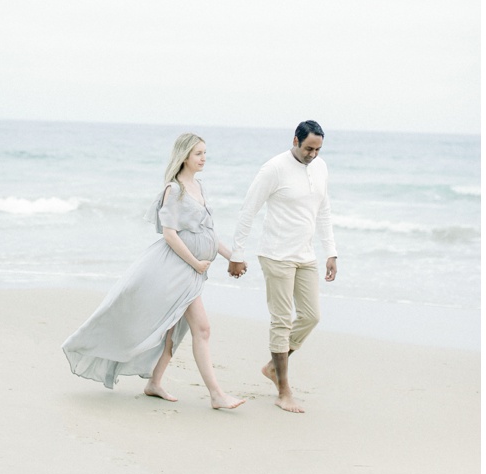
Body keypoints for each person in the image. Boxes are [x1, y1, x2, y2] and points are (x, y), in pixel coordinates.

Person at [62, 133, 245, 410]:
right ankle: (217, 395)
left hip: (192, 273)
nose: (204, 158)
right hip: (176, 270)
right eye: (198, 153)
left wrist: (234, 257)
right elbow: (170, 235)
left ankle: (154, 383)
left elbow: (209, 233)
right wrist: (195, 263)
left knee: (173, 331)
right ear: (184, 156)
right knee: (202, 329)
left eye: (205, 153)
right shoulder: (174, 190)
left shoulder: (199, 187)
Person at [228, 120, 338, 413]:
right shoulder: (274, 168)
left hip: (306, 256)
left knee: (312, 316)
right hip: (276, 255)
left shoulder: (321, 167)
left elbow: (323, 210)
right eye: (308, 148)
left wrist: (331, 252)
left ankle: (273, 367)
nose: (313, 154)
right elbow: (248, 209)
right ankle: (284, 390)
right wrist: (236, 253)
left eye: (318, 149)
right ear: (295, 140)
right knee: (282, 321)